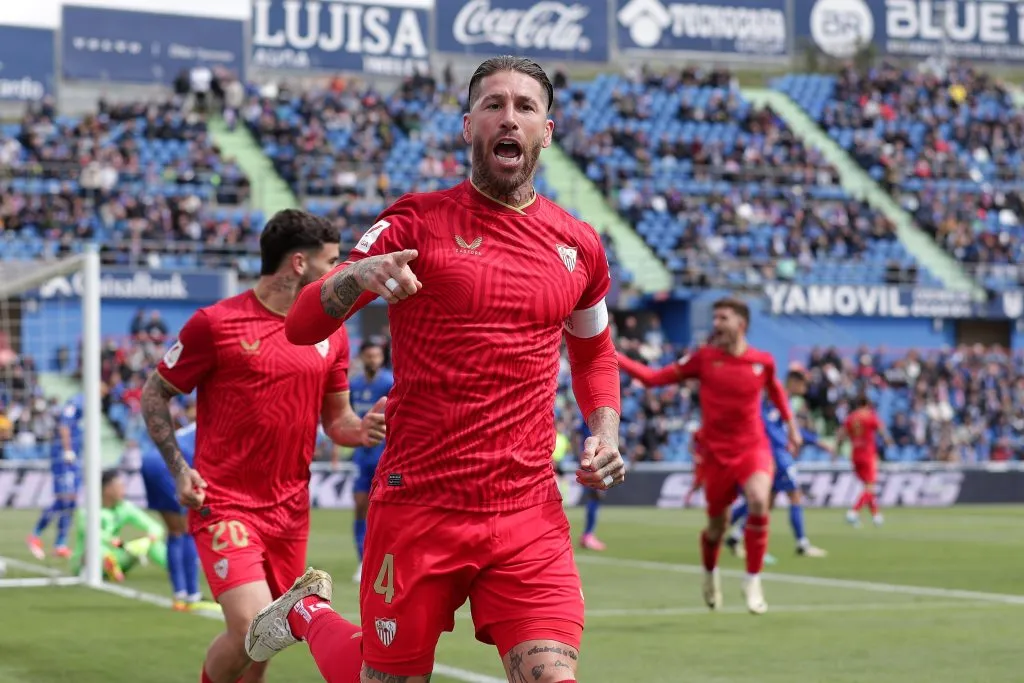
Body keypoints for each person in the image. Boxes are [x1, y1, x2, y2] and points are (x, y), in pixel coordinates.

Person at [246, 56, 625, 683]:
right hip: (419, 504)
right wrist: (356, 274)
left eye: (525, 107)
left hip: (527, 507)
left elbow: (594, 351)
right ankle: (307, 613)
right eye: (493, 105)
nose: (509, 117)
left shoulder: (578, 243)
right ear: (467, 124)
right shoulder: (415, 221)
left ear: (547, 130)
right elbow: (302, 324)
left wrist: (605, 431)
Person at [140, 209, 387, 683]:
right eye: (332, 262)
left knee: (263, 644)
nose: (340, 273)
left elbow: (337, 421)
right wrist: (178, 469)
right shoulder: (216, 323)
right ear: (299, 263)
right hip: (225, 502)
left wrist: (364, 429)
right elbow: (156, 392)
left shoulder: (331, 333)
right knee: (252, 624)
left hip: (290, 511)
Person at [617, 298, 800, 614]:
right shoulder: (703, 359)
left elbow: (777, 392)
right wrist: (612, 355)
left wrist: (792, 427)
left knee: (759, 499)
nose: (716, 323)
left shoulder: (762, 361)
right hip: (715, 453)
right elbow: (652, 378)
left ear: (741, 324)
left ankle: (752, 579)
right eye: (714, 317)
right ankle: (709, 573)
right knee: (716, 527)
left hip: (752, 447)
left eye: (723, 317)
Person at [725, 374, 833, 559]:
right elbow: (767, 426)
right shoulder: (774, 399)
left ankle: (735, 535)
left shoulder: (783, 401)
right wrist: (783, 445)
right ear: (794, 382)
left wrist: (812, 441)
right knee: (794, 496)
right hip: (776, 455)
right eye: (803, 384)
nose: (805, 388)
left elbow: (784, 428)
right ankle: (802, 544)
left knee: (765, 502)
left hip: (773, 452)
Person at [140, 421, 218, 611]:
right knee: (187, 529)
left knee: (175, 531)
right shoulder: (219, 428)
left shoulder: (196, 425)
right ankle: (193, 595)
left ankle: (180, 594)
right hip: (172, 462)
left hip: (151, 458)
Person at [345, 340, 392, 583]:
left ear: (381, 358)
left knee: (386, 510)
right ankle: (363, 560)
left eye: (376, 356)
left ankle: (387, 560)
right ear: (362, 358)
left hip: (388, 456)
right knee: (361, 506)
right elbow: (348, 417)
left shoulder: (390, 382)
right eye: (369, 356)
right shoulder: (354, 385)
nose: (373, 360)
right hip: (363, 455)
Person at [70, 468, 167, 582]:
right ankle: (106, 566)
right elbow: (93, 534)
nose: (123, 490)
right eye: (119, 486)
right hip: (86, 560)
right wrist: (114, 541)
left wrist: (151, 536)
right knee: (96, 547)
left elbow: (154, 526)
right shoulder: (86, 511)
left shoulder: (125, 507)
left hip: (117, 553)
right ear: (107, 489)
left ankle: (176, 566)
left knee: (151, 543)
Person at [27, 395, 83, 560]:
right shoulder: (77, 401)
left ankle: (60, 544)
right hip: (64, 458)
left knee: (71, 501)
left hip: (73, 459)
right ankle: (35, 535)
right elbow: (64, 425)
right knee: (64, 499)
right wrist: (67, 450)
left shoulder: (90, 404)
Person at [838, 395, 893, 527]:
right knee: (870, 487)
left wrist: (836, 449)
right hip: (868, 454)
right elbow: (881, 429)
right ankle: (853, 512)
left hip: (855, 454)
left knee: (868, 488)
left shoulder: (851, 417)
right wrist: (887, 440)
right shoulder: (870, 415)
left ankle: (876, 515)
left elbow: (841, 435)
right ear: (867, 404)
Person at [575, 419, 606, 551]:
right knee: (596, 496)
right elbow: (576, 436)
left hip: (593, 460)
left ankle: (588, 535)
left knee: (596, 496)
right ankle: (588, 535)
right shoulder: (589, 418)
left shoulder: (587, 419)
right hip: (592, 461)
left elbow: (576, 436)